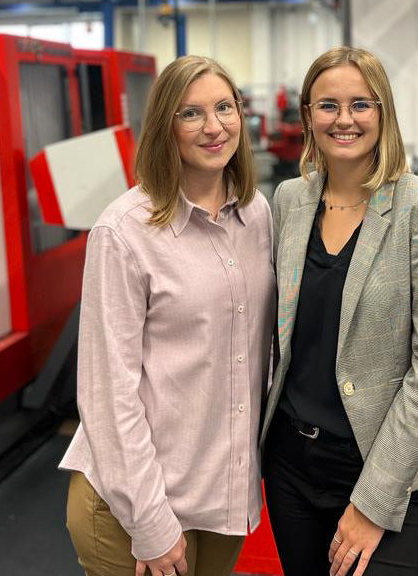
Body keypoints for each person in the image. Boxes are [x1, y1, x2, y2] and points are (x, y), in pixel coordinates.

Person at [60, 55, 276, 576]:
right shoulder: (125, 232)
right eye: (191, 114)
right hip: (132, 502)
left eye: (224, 107)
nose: (213, 127)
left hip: (220, 494)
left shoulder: (257, 215)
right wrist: (150, 522)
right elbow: (107, 392)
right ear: (165, 127)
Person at [261, 47, 418, 576]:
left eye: (361, 104)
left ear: (384, 112)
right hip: (291, 467)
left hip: (385, 465)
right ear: (308, 115)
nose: (344, 119)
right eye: (328, 105)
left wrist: (373, 501)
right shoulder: (288, 200)